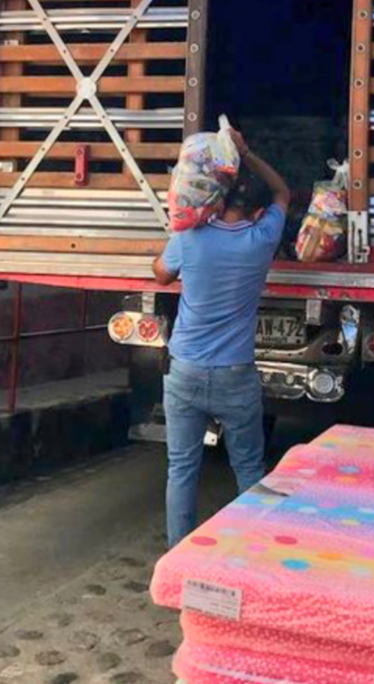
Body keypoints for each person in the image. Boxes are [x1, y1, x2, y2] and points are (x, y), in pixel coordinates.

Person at [152, 129, 292, 547]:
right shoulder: (261, 240)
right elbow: (283, 192)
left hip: (185, 372)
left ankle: (179, 553)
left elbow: (160, 273)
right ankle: (251, 554)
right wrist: (247, 153)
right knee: (248, 468)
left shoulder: (189, 238)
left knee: (182, 469)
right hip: (235, 376)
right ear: (255, 212)